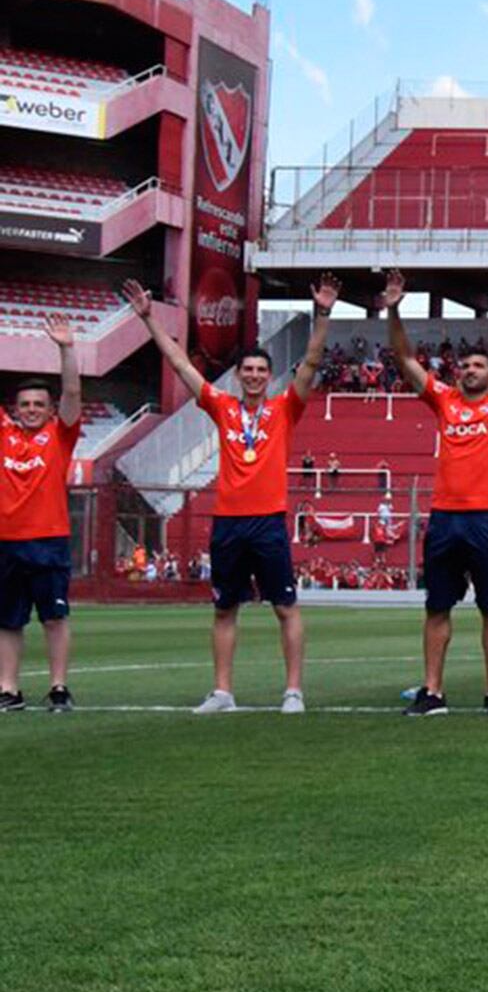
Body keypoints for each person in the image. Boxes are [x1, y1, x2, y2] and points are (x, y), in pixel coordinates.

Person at [125, 274, 338, 714]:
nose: (255, 376)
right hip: (228, 522)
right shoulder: (223, 408)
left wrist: (323, 314)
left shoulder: (285, 408)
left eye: (262, 370)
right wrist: (149, 321)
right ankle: (222, 691)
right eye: (248, 371)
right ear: (238, 377)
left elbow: (312, 362)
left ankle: (293, 691)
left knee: (285, 606)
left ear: (270, 375)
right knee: (224, 609)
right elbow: (182, 365)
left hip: (268, 521)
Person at [380, 268, 488, 716]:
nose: (469, 370)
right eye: (465, 365)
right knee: (437, 607)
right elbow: (403, 358)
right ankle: (433, 692)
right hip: (445, 518)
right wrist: (394, 309)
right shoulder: (444, 400)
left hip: (485, 517)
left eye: (478, 366)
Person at [0, 316, 84, 713]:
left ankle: (58, 687)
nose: (32, 410)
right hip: (5, 541)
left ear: (50, 410)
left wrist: (66, 349)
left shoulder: (60, 435)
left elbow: (71, 390)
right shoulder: (4, 434)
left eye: (39, 405)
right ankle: (8, 690)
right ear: (13, 410)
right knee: (7, 621)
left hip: (48, 541)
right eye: (25, 405)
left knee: (54, 617)